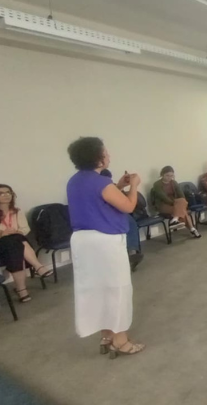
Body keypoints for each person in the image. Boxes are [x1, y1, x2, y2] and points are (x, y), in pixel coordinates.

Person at [65, 137, 145, 357]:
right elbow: (128, 206)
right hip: (105, 242)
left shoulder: (75, 181)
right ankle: (121, 341)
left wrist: (118, 186)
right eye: (106, 152)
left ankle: (106, 335)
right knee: (116, 288)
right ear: (98, 158)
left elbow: (98, 199)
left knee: (95, 289)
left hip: (83, 242)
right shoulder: (101, 183)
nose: (109, 155)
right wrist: (134, 185)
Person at [0, 184, 53, 303]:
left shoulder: (16, 212)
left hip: (14, 244)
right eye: (1, 193)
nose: (6, 195)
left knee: (15, 242)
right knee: (15, 242)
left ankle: (22, 290)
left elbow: (25, 229)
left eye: (8, 192)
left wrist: (17, 232)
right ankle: (37, 267)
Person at [100, 170, 144, 271]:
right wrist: (133, 186)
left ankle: (132, 252)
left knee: (131, 222)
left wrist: (120, 187)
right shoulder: (97, 188)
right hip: (105, 216)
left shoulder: (112, 187)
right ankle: (129, 254)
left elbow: (124, 202)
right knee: (127, 222)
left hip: (118, 213)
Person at [152, 166, 201, 237]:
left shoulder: (174, 183)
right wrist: (176, 204)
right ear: (162, 175)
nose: (169, 177)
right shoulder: (157, 184)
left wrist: (182, 202)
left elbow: (181, 195)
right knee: (183, 211)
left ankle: (175, 219)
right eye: (167, 175)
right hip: (163, 205)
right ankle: (192, 229)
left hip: (175, 203)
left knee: (182, 201)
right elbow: (163, 197)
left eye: (171, 175)